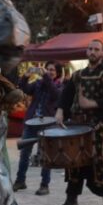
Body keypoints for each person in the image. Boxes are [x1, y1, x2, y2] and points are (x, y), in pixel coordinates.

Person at [53, 39, 103, 205]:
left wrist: (91, 103)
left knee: (99, 162)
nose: (93, 52)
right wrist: (60, 111)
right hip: (76, 124)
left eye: (97, 49)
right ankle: (71, 200)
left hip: (95, 126)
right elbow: (66, 95)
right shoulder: (78, 75)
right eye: (90, 49)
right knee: (73, 162)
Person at [13, 62, 61, 195]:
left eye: (52, 70)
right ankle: (20, 181)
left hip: (48, 124)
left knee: (46, 156)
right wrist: (26, 76)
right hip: (31, 122)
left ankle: (44, 185)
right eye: (48, 69)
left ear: (57, 73)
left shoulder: (58, 85)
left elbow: (55, 94)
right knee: (24, 153)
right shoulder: (38, 83)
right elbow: (24, 89)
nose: (50, 72)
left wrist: (45, 76)